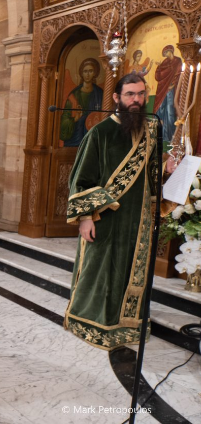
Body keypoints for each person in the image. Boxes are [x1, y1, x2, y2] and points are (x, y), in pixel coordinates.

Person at [65, 73, 173, 350]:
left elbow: (151, 173)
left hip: (139, 220)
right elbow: (81, 179)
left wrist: (168, 169)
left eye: (140, 94)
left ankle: (129, 326)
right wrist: (85, 218)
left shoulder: (152, 128)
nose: (136, 100)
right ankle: (91, 322)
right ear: (116, 98)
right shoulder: (100, 133)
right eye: (130, 94)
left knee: (130, 272)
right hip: (106, 217)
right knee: (101, 272)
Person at [60, 58, 104, 147]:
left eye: (90, 71)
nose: (87, 74)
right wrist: (75, 119)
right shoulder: (73, 96)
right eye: (85, 71)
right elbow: (64, 119)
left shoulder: (100, 94)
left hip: (94, 137)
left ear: (95, 73)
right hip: (75, 138)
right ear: (81, 73)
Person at [154, 45, 183, 144]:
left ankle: (171, 136)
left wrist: (173, 83)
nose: (165, 55)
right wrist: (159, 67)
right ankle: (160, 134)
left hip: (171, 89)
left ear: (171, 51)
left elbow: (178, 73)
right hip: (162, 89)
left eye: (166, 52)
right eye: (164, 53)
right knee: (161, 109)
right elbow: (159, 77)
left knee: (170, 110)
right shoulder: (164, 62)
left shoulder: (177, 61)